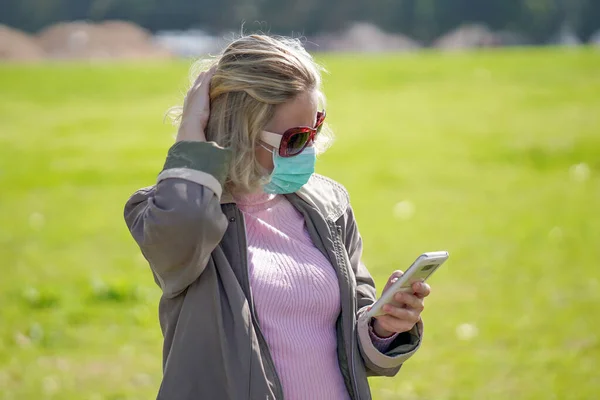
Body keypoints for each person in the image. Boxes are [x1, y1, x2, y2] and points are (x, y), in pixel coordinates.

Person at [124, 34, 430, 400]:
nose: (311, 148)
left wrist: (384, 326)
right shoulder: (179, 209)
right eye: (296, 138)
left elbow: (352, 348)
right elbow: (181, 234)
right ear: (241, 131)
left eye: (315, 128)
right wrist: (192, 134)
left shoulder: (329, 205)